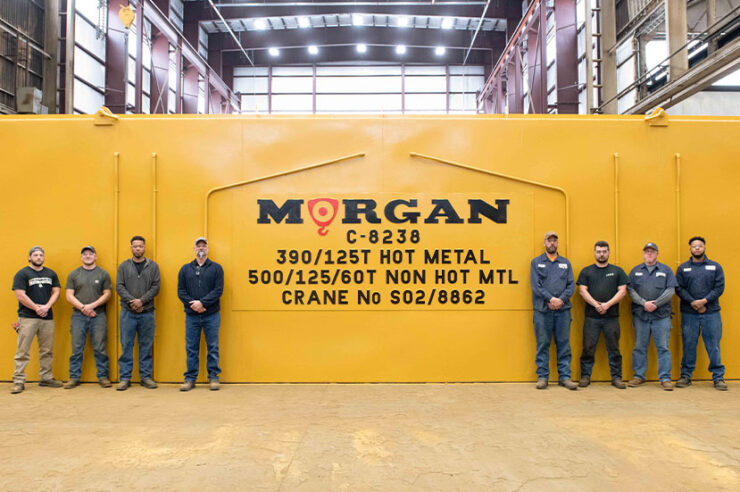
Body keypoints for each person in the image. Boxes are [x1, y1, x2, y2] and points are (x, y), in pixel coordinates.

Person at [675, 236, 727, 390]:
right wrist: (693, 302)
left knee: (713, 346)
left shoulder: (715, 267)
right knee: (689, 344)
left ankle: (718, 377)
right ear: (690, 249)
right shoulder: (683, 268)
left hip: (711, 313)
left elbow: (719, 288)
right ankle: (686, 376)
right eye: (694, 246)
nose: (697, 248)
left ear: (704, 248)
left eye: (700, 246)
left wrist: (704, 301)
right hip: (689, 313)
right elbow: (679, 288)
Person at [576, 241, 629, 389]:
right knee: (588, 347)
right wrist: (596, 305)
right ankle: (585, 376)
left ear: (609, 252)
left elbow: (623, 291)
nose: (601, 254)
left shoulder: (617, 271)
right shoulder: (586, 271)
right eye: (598, 251)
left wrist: (607, 305)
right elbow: (582, 291)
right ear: (594, 253)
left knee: (614, 349)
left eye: (604, 251)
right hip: (591, 317)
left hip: (611, 317)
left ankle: (617, 378)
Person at [10, 246, 63, 394]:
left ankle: (46, 377)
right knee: (22, 351)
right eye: (35, 255)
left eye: (41, 255)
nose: (38, 257)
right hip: (27, 318)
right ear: (29, 258)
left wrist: (47, 306)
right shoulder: (22, 274)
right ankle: (19, 381)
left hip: (47, 317)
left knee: (46, 350)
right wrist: (36, 308)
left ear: (44, 257)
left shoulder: (51, 273)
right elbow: (20, 294)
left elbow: (56, 291)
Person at [529, 231, 577, 390]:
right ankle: (543, 377)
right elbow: (536, 286)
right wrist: (550, 299)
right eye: (549, 241)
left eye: (554, 241)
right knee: (543, 344)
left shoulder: (565, 263)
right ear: (544, 243)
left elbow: (571, 285)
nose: (552, 243)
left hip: (563, 311)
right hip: (542, 311)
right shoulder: (536, 263)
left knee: (564, 344)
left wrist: (560, 300)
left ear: (557, 243)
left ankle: (565, 377)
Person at [627, 242, 677, 391]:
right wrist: (643, 303)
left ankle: (665, 378)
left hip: (661, 315)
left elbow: (670, 290)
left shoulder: (666, 270)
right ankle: (639, 376)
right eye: (647, 251)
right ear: (643, 254)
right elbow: (630, 290)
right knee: (639, 347)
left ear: (657, 254)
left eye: (652, 251)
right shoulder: (635, 271)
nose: (649, 254)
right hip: (641, 315)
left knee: (663, 347)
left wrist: (656, 304)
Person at [178, 237, 224, 391]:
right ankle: (190, 379)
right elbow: (181, 291)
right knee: (191, 348)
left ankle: (213, 377)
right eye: (198, 246)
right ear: (194, 249)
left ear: (208, 249)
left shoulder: (217, 269)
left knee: (213, 346)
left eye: (204, 246)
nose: (201, 248)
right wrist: (194, 305)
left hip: (211, 315)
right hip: (192, 316)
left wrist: (202, 303)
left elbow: (218, 290)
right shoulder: (185, 269)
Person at [115, 236, 161, 391]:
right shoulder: (123, 266)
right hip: (127, 313)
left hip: (147, 313)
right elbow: (119, 286)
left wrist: (142, 301)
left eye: (140, 246)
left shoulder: (153, 267)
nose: (138, 249)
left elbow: (156, 287)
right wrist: (132, 302)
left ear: (144, 247)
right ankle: (125, 378)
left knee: (146, 346)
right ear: (131, 247)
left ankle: (146, 377)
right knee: (126, 345)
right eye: (135, 246)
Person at [64, 246, 112, 389]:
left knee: (100, 347)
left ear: (95, 256)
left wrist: (91, 306)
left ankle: (103, 377)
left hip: (99, 315)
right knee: (77, 348)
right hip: (78, 315)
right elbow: (69, 295)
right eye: (85, 254)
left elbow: (107, 294)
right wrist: (84, 308)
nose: (88, 256)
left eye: (91, 254)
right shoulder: (74, 274)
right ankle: (74, 377)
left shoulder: (103, 274)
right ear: (81, 257)